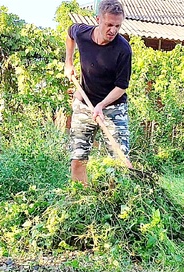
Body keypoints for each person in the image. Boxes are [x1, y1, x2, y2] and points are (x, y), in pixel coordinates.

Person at [64, 0, 133, 185]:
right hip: (85, 103)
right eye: (109, 24)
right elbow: (70, 33)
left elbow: (121, 86)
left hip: (113, 107)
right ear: (98, 19)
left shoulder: (123, 50)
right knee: (78, 157)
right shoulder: (82, 33)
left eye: (117, 26)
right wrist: (68, 62)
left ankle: (116, 203)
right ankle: (81, 199)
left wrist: (102, 105)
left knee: (119, 161)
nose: (113, 30)